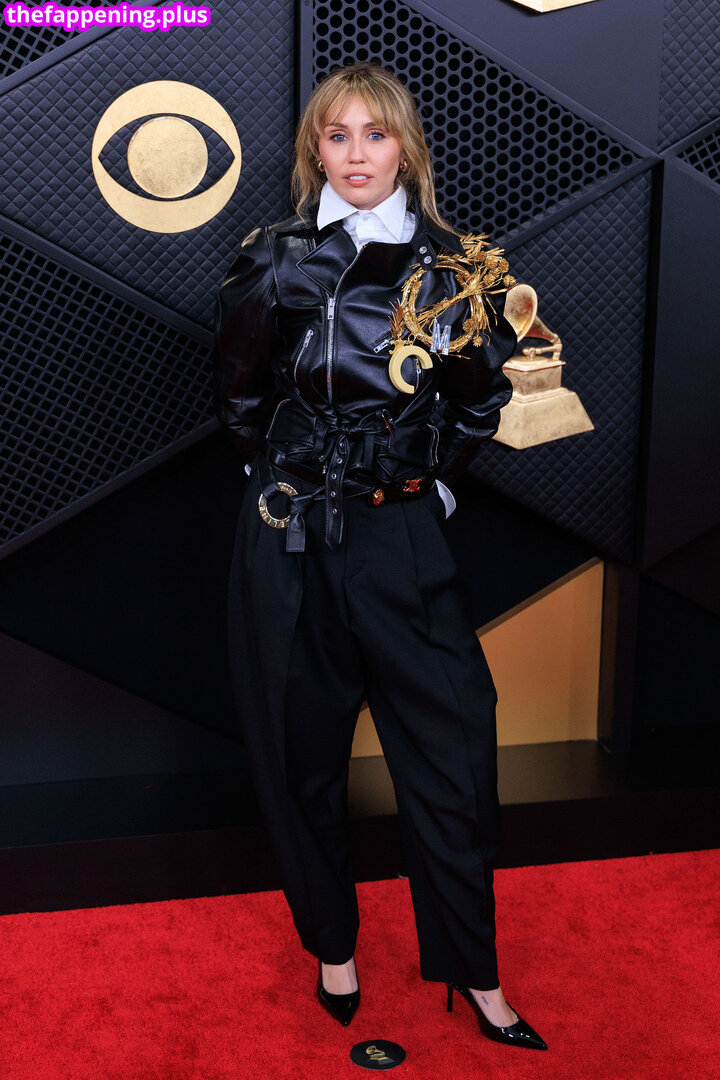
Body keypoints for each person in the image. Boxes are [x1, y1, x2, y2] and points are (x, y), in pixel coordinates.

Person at [213, 61, 547, 1051]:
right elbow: (239, 396)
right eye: (337, 135)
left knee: (454, 750)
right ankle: (334, 948)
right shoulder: (272, 258)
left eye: (376, 133)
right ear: (315, 151)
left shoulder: (459, 270)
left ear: (407, 147)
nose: (356, 154)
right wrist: (288, 472)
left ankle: (475, 971)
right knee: (300, 753)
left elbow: (482, 403)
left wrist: (421, 481)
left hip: (401, 537)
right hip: (291, 538)